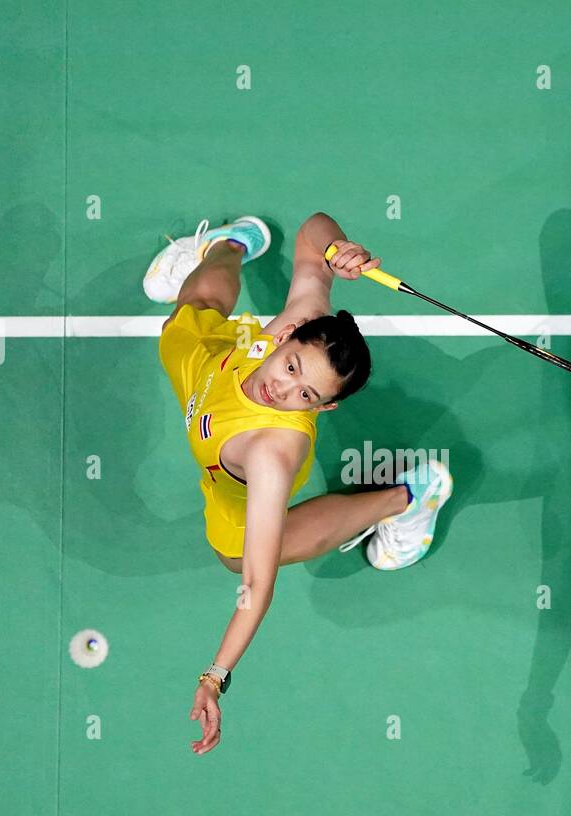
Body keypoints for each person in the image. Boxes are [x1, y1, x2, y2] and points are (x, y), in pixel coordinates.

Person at [145, 211, 454, 756]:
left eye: (307, 396)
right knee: (191, 314)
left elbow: (257, 587)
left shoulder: (270, 457)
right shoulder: (302, 319)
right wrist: (336, 248)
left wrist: (215, 675)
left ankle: (407, 497)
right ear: (287, 333)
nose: (284, 392)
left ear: (325, 406)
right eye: (291, 368)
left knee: (237, 556)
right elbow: (313, 229)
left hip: (233, 471)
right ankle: (233, 244)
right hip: (213, 369)